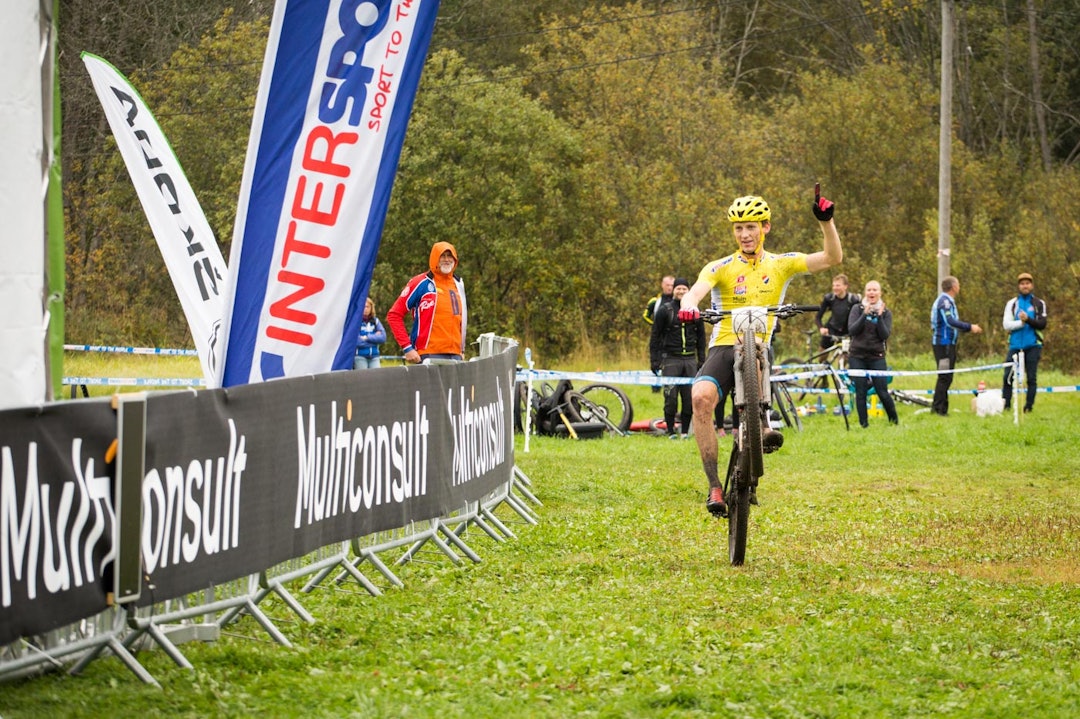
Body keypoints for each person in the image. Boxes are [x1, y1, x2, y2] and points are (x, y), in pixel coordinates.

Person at [678, 189, 843, 516]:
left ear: (765, 227)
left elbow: (831, 259)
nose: (744, 234)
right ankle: (713, 486)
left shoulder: (780, 264)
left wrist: (826, 222)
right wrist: (687, 305)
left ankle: (762, 423)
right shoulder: (721, 266)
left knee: (755, 351)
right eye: (738, 228)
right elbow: (697, 289)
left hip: (757, 347)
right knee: (699, 399)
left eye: (751, 227)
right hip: (724, 346)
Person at [386, 241, 467, 364]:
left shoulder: (458, 284)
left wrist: (462, 349)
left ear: (455, 259)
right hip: (428, 354)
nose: (446, 260)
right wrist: (407, 347)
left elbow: (461, 319)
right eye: (442, 256)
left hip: (455, 355)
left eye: (450, 256)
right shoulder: (421, 283)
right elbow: (394, 315)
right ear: (435, 258)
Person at [650, 277, 706, 439]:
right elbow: (655, 336)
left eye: (684, 289)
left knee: (689, 399)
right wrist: (654, 360)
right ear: (673, 290)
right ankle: (669, 430)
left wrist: (701, 359)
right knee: (671, 398)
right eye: (678, 288)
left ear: (689, 291)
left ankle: (684, 432)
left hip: (689, 360)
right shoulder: (665, 310)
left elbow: (701, 338)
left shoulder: (695, 312)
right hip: (670, 360)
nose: (681, 291)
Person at [847, 281, 899, 428]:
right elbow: (852, 330)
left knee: (882, 391)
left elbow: (884, 335)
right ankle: (864, 425)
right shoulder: (857, 309)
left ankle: (894, 422)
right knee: (861, 391)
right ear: (865, 293)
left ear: (879, 293)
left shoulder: (886, 312)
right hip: (857, 356)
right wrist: (864, 314)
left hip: (877, 357)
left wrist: (880, 317)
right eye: (869, 290)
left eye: (875, 290)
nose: (872, 293)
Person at [929, 276, 982, 415]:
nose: (959, 287)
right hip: (943, 344)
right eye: (958, 284)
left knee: (947, 377)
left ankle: (939, 407)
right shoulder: (944, 302)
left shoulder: (948, 301)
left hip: (949, 344)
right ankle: (938, 409)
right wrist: (970, 327)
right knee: (944, 376)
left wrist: (967, 329)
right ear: (953, 287)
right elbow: (950, 321)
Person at [1001, 272, 1047, 413]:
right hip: (1015, 345)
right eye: (1022, 283)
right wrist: (1021, 323)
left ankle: (1028, 406)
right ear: (1018, 286)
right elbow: (1006, 325)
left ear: (1031, 285)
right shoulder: (1012, 303)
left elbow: (1042, 324)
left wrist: (1028, 320)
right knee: (1008, 376)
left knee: (1031, 378)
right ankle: (1006, 405)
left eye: (1027, 283)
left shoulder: (1039, 303)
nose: (1025, 286)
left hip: (1033, 345)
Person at [644, 275, 675, 392]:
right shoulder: (655, 301)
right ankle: (655, 389)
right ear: (662, 285)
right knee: (656, 361)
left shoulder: (678, 300)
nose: (670, 288)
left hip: (672, 338)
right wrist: (655, 326)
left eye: (672, 285)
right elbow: (645, 316)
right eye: (667, 285)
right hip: (658, 337)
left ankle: (670, 387)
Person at [815, 274, 860, 349]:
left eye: (838, 285)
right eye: (834, 286)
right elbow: (818, 317)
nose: (835, 288)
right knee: (822, 354)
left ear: (845, 286)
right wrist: (821, 328)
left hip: (847, 331)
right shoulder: (829, 298)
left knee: (845, 355)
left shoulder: (853, 300)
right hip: (831, 329)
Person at [354, 297, 386, 369]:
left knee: (376, 378)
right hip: (360, 356)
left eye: (367, 307)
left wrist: (367, 337)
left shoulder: (375, 321)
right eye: (363, 306)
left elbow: (383, 337)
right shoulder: (356, 322)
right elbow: (357, 342)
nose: (365, 309)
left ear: (371, 308)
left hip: (374, 356)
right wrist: (375, 339)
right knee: (363, 379)